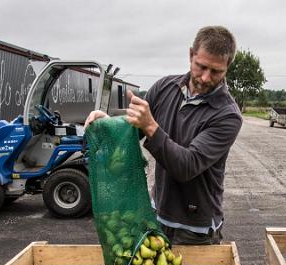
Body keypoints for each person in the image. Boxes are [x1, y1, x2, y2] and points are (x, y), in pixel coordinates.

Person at [84, 26, 242, 245]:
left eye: (216, 72)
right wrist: (107, 122)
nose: (206, 78)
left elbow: (187, 166)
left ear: (227, 68)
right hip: (156, 215)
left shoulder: (227, 115)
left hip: (195, 230)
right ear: (191, 55)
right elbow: (133, 130)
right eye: (201, 66)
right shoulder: (164, 88)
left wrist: (151, 127)